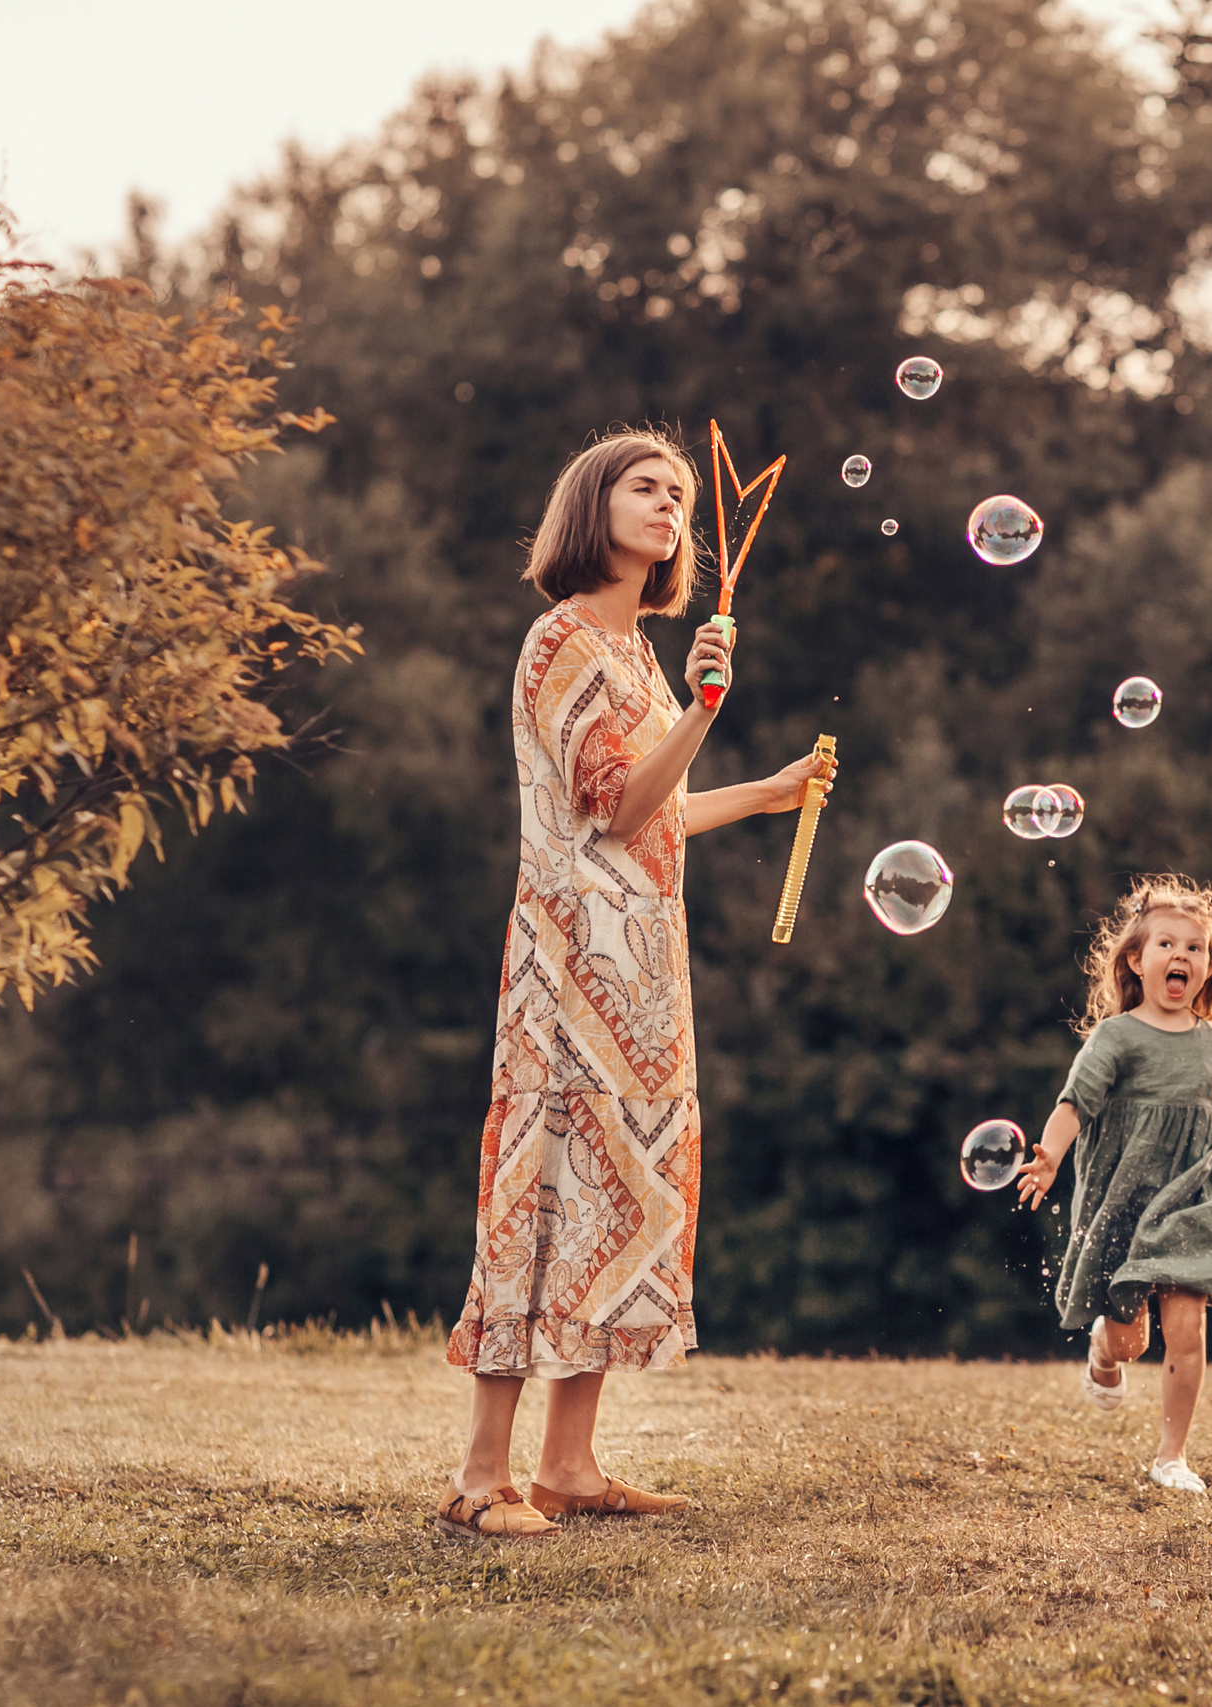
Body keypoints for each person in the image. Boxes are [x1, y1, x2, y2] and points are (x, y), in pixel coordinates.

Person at [435, 429, 837, 1539]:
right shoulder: (561, 641)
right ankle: (481, 1478)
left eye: (680, 495)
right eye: (645, 488)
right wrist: (706, 715)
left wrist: (761, 792)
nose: (670, 506)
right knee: (547, 1182)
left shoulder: (642, 656)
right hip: (569, 963)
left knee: (620, 1187)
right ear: (591, 507)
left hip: (646, 962)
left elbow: (652, 819)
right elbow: (610, 806)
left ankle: (568, 1465)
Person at [1016, 877, 1212, 1494]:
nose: (1182, 956)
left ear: (1208, 967)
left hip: (1194, 1201)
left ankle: (1171, 1457)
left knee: (1189, 1327)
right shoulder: (1117, 1037)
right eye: (1167, 943)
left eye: (1195, 948)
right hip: (1125, 1202)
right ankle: (1101, 1353)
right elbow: (1074, 1105)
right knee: (1130, 1339)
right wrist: (1050, 1156)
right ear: (1137, 961)